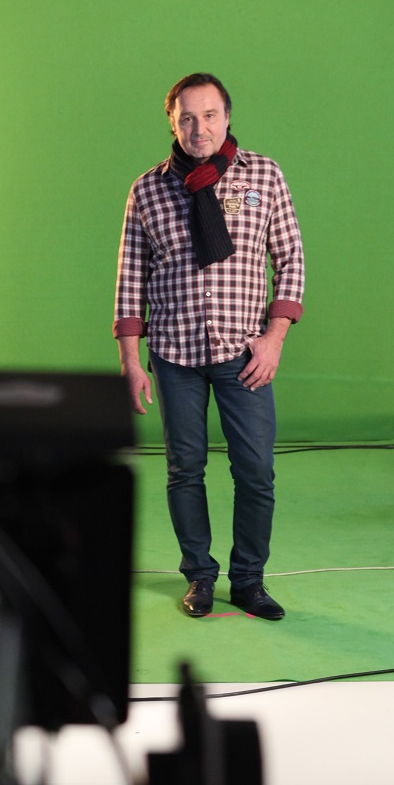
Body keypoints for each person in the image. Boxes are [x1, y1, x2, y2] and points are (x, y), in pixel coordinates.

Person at [114, 73, 304, 619]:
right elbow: (130, 277)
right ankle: (199, 576)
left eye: (210, 115)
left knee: (256, 471)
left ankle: (249, 581)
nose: (200, 128)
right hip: (174, 355)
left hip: (244, 353)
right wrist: (131, 361)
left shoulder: (264, 175)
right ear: (172, 123)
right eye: (188, 118)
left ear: (227, 117)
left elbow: (290, 258)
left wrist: (274, 339)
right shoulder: (147, 189)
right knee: (184, 469)